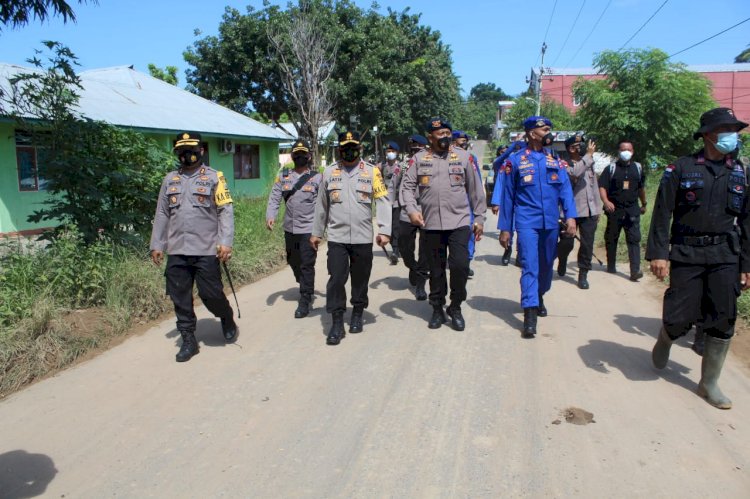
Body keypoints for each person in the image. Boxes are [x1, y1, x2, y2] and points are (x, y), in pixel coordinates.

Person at [647, 107, 749, 410]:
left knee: (722, 316)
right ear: (707, 135)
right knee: (681, 316)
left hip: (725, 254)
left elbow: (747, 222)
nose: (732, 135)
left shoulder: (740, 171)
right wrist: (659, 254)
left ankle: (709, 383)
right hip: (687, 252)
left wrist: (747, 265)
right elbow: (662, 212)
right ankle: (667, 336)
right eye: (725, 130)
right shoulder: (681, 168)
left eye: (735, 129)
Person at [150, 132, 237, 362]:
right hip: (177, 249)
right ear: (178, 153)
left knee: (211, 295)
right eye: (182, 151)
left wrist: (225, 242)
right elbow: (162, 212)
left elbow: (225, 210)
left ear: (201, 151)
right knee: (180, 296)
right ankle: (188, 338)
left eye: (192, 150)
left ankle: (226, 316)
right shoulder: (170, 180)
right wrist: (157, 244)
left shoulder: (214, 177)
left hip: (206, 249)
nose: (187, 155)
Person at [401, 118, 486, 331]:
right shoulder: (419, 159)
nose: (445, 136)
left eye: (448, 132)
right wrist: (412, 210)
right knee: (436, 270)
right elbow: (407, 187)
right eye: (440, 133)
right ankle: (437, 307)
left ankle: (455, 306)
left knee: (460, 266)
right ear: (430, 137)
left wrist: (479, 218)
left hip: (459, 222)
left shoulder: (465, 157)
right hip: (430, 224)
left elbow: (476, 190)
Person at [310, 131, 391, 346]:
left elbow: (383, 201)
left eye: (352, 146)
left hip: (363, 237)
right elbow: (321, 205)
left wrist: (384, 230)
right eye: (345, 146)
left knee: (360, 278)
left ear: (360, 148)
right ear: (339, 149)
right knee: (336, 279)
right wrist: (316, 233)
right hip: (337, 237)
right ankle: (336, 322)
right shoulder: (329, 173)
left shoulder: (372, 172)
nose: (349, 150)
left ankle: (357, 312)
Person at [499, 117, 576, 338]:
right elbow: (508, 197)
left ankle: (540, 294)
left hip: (551, 222)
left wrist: (570, 216)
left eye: (549, 129)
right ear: (532, 133)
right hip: (526, 222)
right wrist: (506, 228)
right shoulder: (515, 161)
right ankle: (529, 314)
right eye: (545, 129)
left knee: (546, 265)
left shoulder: (555, 160)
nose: (549, 132)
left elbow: (565, 191)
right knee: (530, 266)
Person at [266, 139, 322, 318]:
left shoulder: (317, 177)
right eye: (296, 154)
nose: (299, 157)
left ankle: (305, 299)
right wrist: (270, 215)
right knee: (292, 260)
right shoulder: (284, 176)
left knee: (307, 264)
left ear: (309, 156)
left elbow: (324, 203)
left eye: (303, 154)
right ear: (292, 156)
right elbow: (275, 197)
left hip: (308, 229)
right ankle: (304, 282)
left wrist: (321, 228)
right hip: (289, 228)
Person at [556, 134, 601, 289]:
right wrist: (588, 155)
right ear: (570, 149)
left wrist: (597, 209)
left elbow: (593, 186)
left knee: (587, 244)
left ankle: (583, 273)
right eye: (576, 146)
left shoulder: (588, 163)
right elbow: (574, 173)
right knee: (567, 243)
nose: (580, 148)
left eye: (581, 145)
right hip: (570, 212)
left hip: (589, 211)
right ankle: (562, 259)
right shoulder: (563, 163)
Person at [599, 140, 647, 281]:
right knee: (612, 237)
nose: (626, 152)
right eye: (623, 149)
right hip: (615, 210)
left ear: (633, 152)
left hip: (632, 209)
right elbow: (602, 187)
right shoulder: (611, 169)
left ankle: (635, 270)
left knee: (634, 239)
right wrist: (606, 201)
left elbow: (641, 188)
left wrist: (644, 203)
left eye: (629, 149)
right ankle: (611, 264)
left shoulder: (638, 168)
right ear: (618, 152)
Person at [395, 135, 430, 300]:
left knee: (425, 248)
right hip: (407, 208)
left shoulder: (431, 161)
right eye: (412, 147)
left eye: (418, 147)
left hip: (426, 209)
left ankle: (421, 285)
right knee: (404, 244)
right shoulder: (403, 165)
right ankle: (413, 267)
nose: (414, 149)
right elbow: (395, 185)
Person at [452, 130, 484, 277]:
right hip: (451, 200)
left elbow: (476, 182)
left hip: (467, 199)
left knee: (470, 230)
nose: (463, 142)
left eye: (465, 140)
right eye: (460, 140)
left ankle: (467, 260)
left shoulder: (471, 158)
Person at [494, 137, 527, 265]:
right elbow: (500, 184)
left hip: (524, 202)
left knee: (523, 230)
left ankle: (520, 254)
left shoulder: (529, 163)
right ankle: (508, 251)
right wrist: (496, 202)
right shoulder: (507, 164)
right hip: (509, 201)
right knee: (509, 228)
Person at [379, 140, 403, 265]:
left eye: (393, 151)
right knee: (388, 225)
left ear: (397, 153)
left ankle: (396, 249)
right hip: (384, 202)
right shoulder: (381, 166)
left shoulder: (402, 167)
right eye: (388, 151)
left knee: (396, 225)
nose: (390, 153)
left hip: (397, 201)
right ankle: (395, 248)